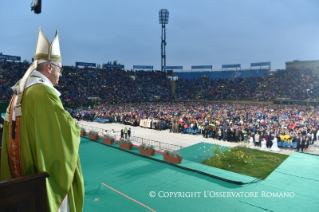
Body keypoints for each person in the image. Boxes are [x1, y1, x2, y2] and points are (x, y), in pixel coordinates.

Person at [0, 28, 84, 212]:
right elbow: (61, 136)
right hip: (39, 183)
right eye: (60, 68)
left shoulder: (19, 93)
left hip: (20, 181)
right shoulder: (44, 93)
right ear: (49, 67)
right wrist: (74, 126)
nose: (61, 74)